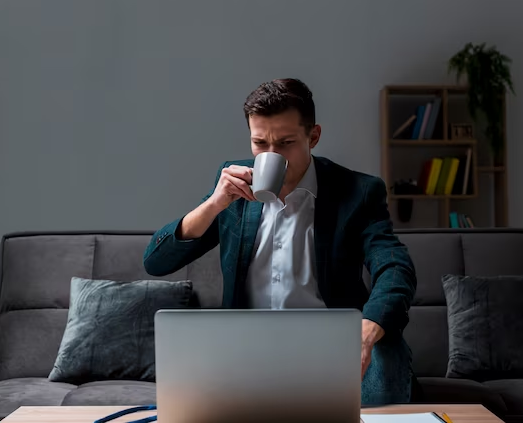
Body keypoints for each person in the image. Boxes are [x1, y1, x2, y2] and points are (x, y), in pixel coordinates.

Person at [143, 78, 417, 405]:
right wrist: (214, 203)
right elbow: (156, 262)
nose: (272, 155)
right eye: (260, 143)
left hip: (332, 344)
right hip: (247, 345)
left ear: (313, 136)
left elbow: (395, 266)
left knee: (386, 365)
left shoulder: (357, 191)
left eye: (286, 142)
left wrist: (368, 328)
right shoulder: (233, 185)